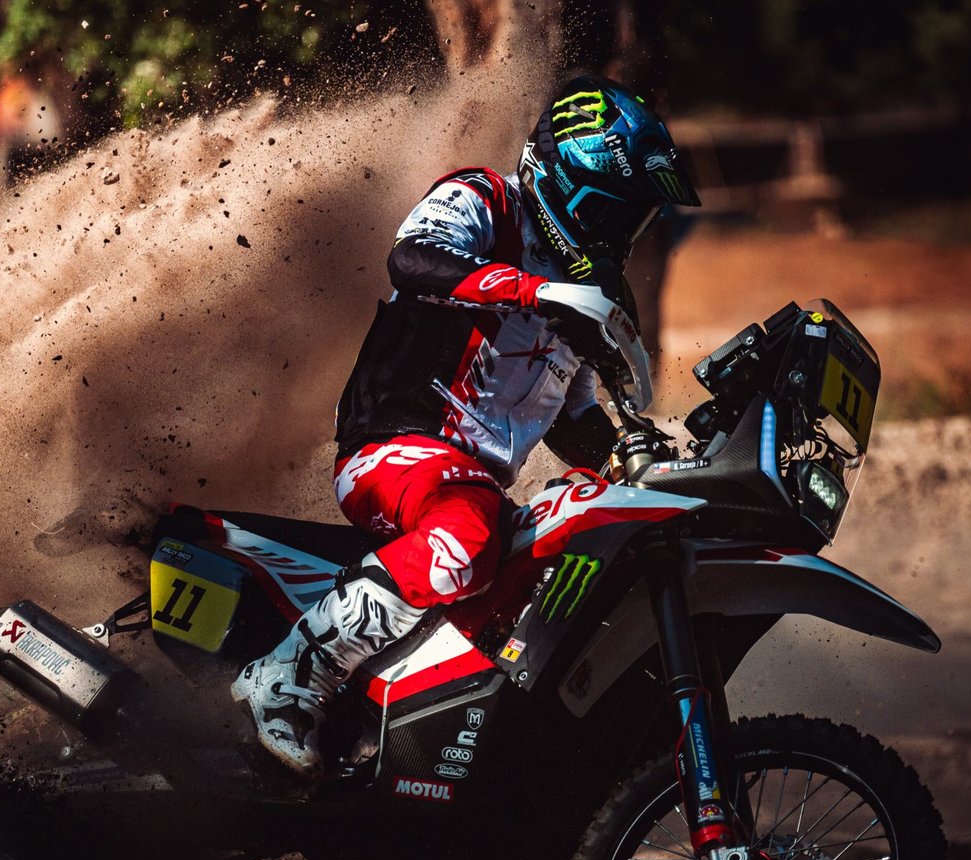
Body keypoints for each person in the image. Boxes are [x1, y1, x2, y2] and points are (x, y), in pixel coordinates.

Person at [232, 75, 699, 777]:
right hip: (392, 444)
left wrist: (639, 459)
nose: (621, 234)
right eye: (617, 210)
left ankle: (410, 729)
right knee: (468, 537)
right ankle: (289, 673)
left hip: (466, 480)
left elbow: (572, 417)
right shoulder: (486, 200)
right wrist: (537, 291)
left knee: (559, 550)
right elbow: (412, 261)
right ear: (573, 183)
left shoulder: (584, 294)